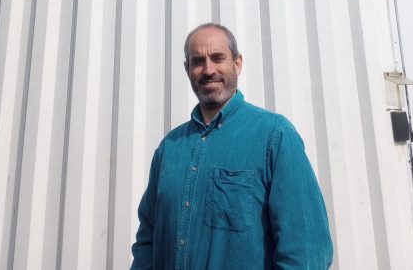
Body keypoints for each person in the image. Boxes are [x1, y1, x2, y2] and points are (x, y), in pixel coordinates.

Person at [131, 22, 333, 269]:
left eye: (218, 58)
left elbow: (307, 251)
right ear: (187, 69)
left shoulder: (275, 136)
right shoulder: (169, 149)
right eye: (197, 61)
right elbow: (147, 241)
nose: (208, 70)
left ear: (237, 64)